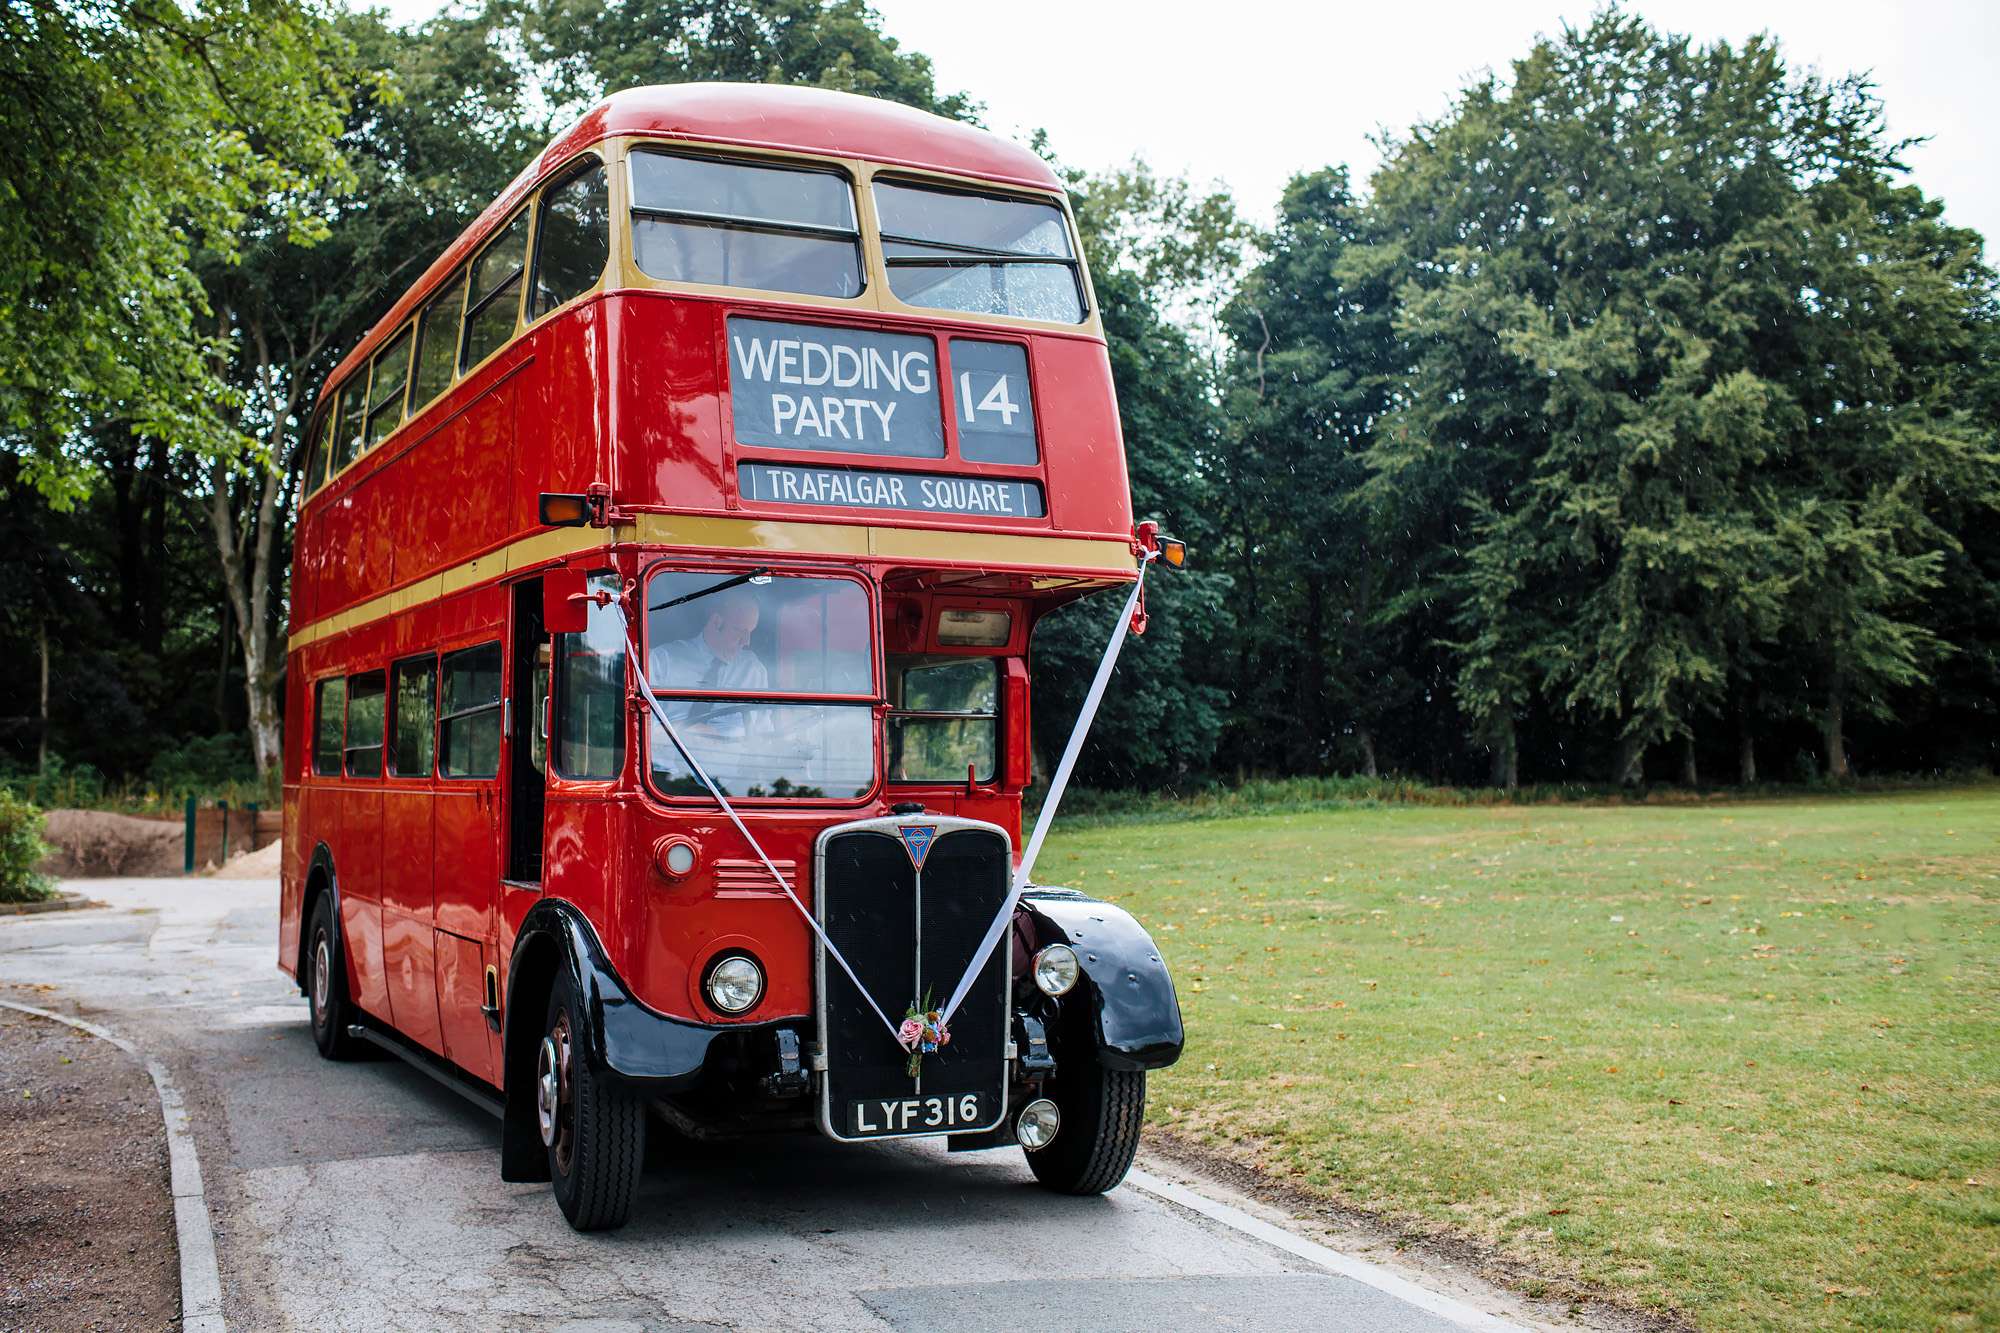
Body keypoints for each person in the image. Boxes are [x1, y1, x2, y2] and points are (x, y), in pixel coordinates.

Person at [648, 589, 770, 749]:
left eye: (751, 632)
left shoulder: (752, 669)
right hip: (667, 767)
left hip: (733, 768)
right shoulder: (663, 660)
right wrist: (684, 732)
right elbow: (642, 727)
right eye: (740, 631)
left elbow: (763, 732)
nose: (746, 642)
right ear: (716, 622)